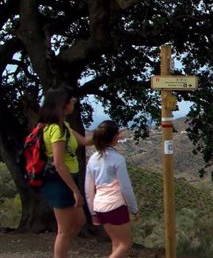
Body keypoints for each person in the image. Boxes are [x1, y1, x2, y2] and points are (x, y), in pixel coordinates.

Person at [38, 84, 92, 258]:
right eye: (71, 100)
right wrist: (75, 191)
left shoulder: (64, 126)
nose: (74, 102)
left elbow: (84, 141)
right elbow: (59, 164)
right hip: (60, 181)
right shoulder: (56, 129)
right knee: (64, 230)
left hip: (67, 179)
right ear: (63, 104)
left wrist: (107, 134)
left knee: (79, 221)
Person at [85, 120, 139, 258]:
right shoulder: (118, 159)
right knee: (125, 243)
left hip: (99, 206)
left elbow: (88, 190)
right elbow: (126, 188)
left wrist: (93, 213)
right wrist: (134, 209)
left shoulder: (92, 159)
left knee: (116, 242)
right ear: (113, 137)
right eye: (118, 133)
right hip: (115, 206)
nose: (120, 136)